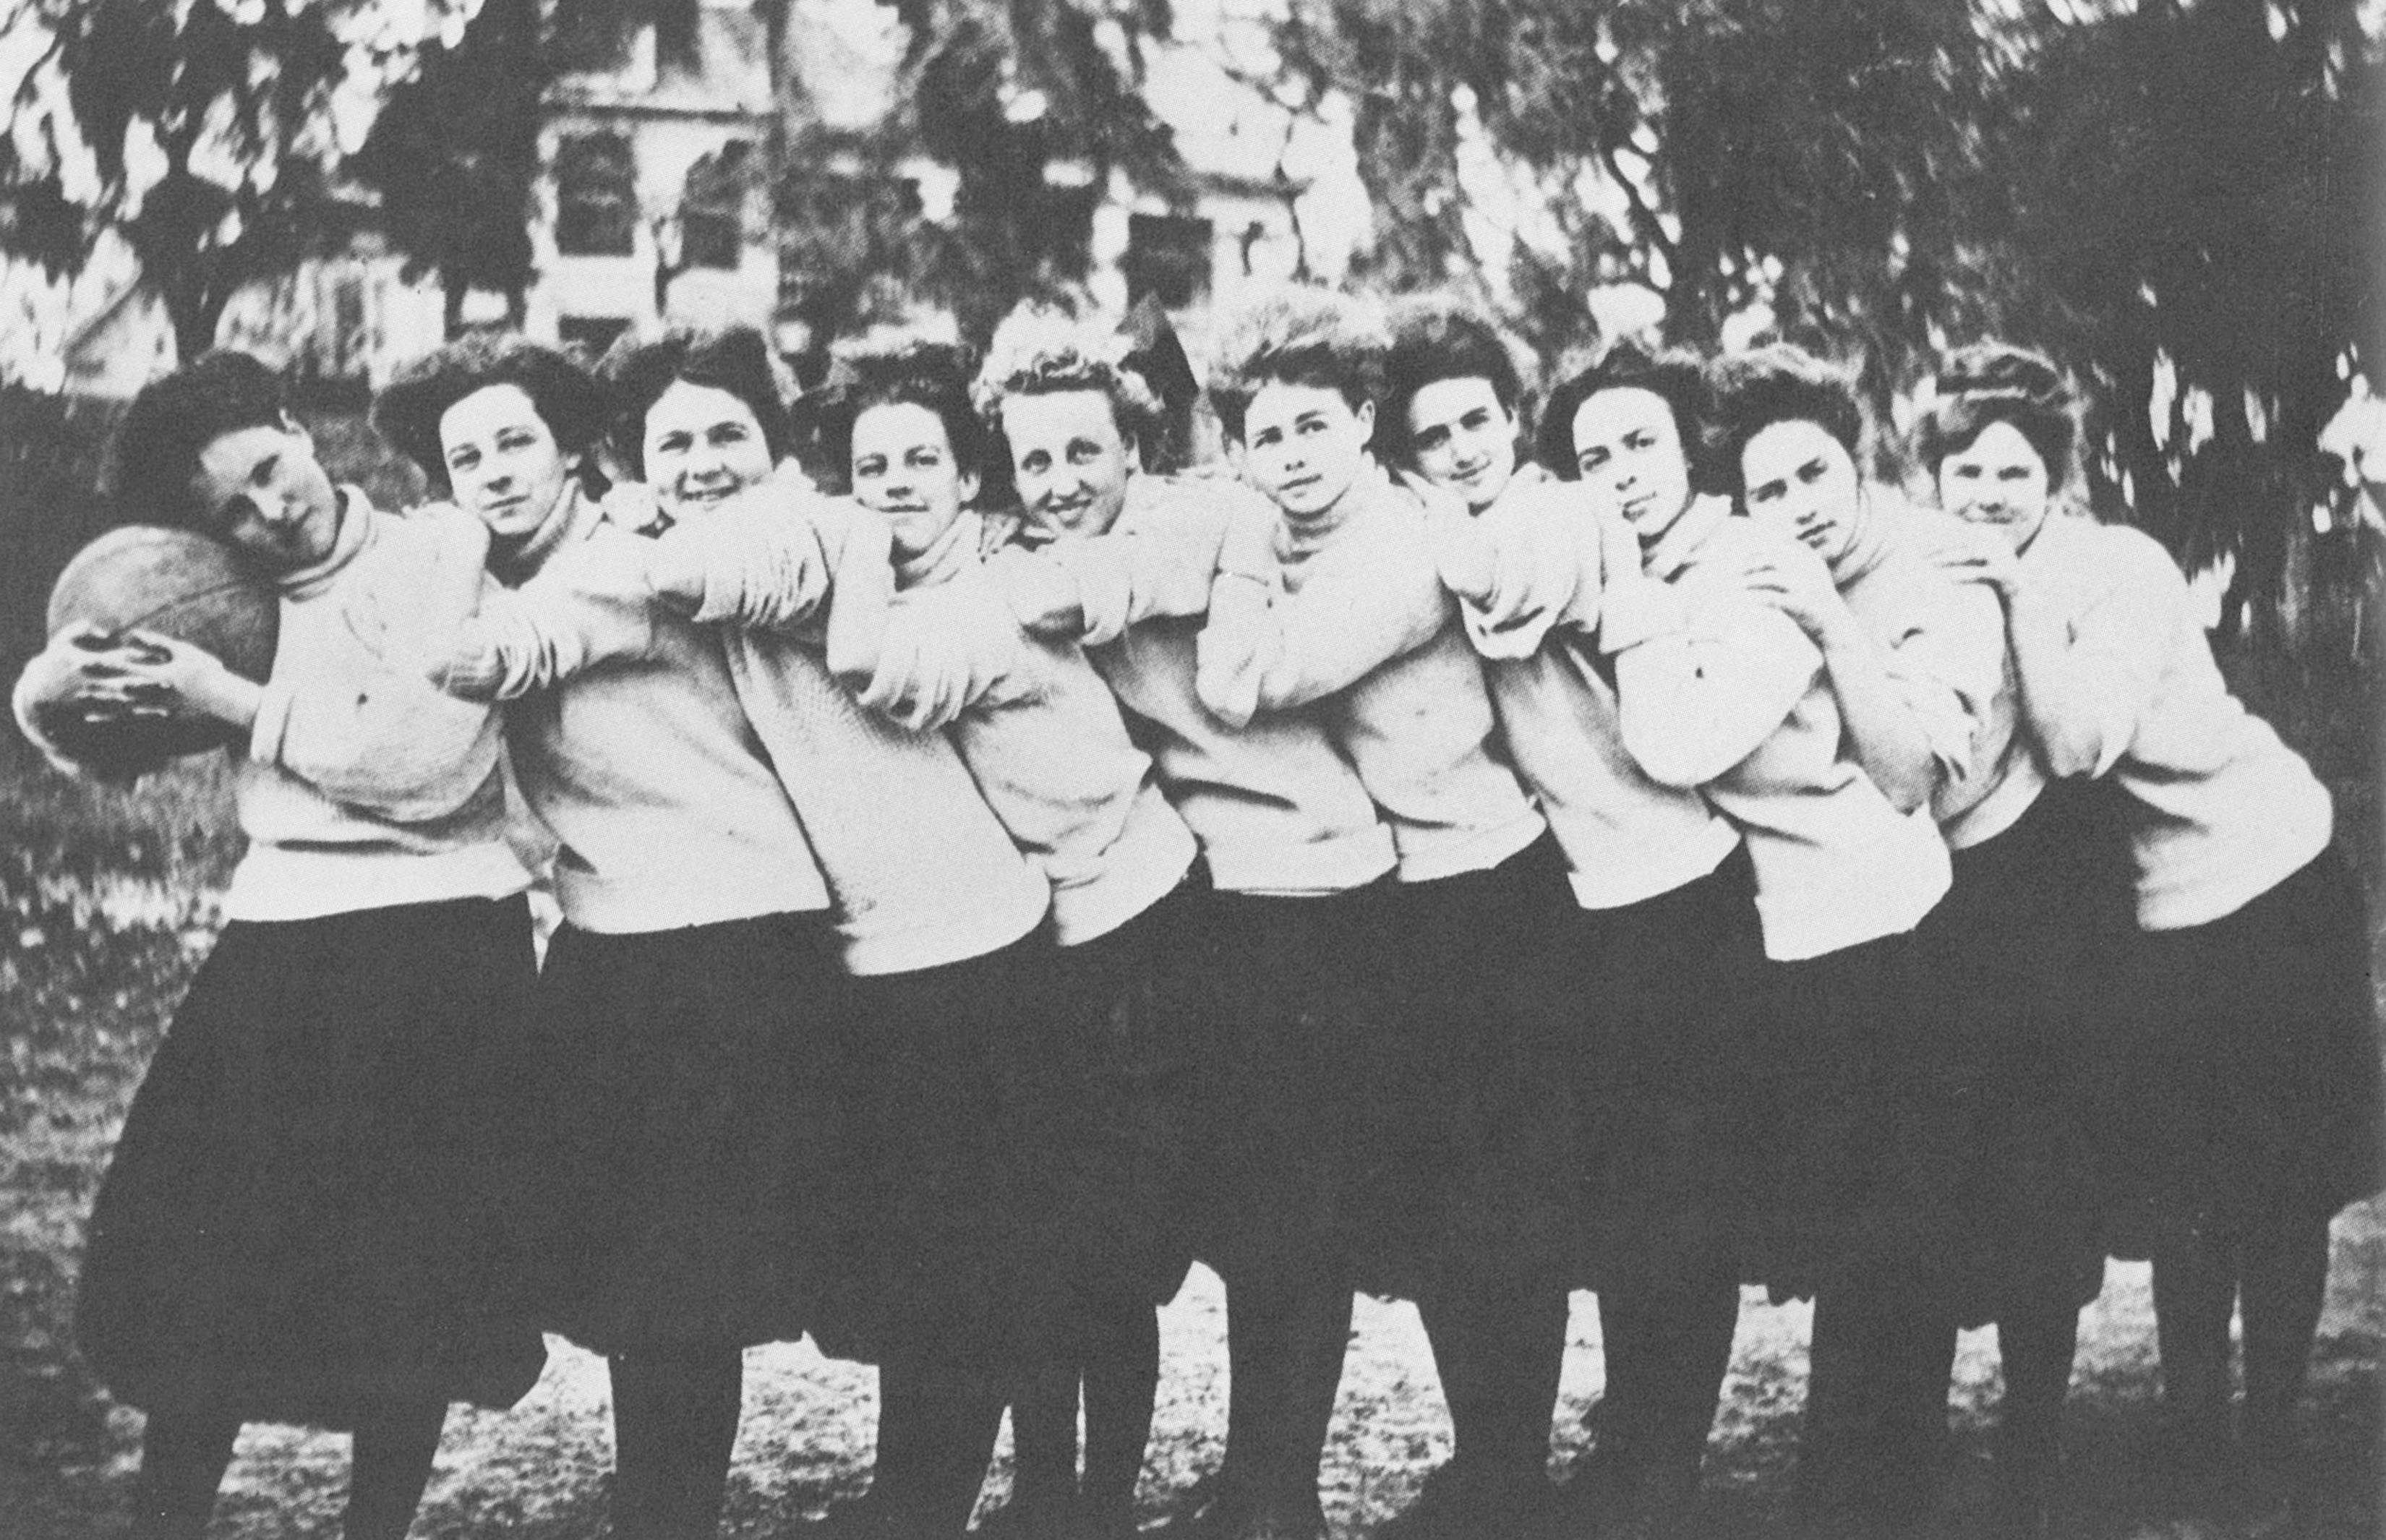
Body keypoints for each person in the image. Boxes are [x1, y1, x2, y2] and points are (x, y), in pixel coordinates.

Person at [455, 325, 1056, 1539]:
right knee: (704, 1274)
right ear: (638, 454)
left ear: (777, 445)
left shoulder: (809, 526)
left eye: (730, 430)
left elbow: (744, 572)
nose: (704, 457)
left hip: (945, 924)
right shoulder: (645, 539)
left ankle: (930, 1508)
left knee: (941, 1253)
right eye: (676, 440)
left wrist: (599, 562)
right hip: (832, 939)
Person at [676, 328, 1206, 1539]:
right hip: (1053, 940)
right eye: (872, 470)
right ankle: (1045, 1496)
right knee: (1043, 1240)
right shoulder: (922, 573)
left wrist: (852, 547)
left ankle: (1093, 1503)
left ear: (970, 477)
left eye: (922, 460)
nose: (897, 484)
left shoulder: (990, 590)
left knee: (1103, 1254)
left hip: (1136, 916)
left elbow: (882, 669)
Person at [12, 351, 546, 1540]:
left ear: (297, 426)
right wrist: (57, 689)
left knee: (407, 1285)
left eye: (267, 470)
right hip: (281, 945)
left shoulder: (439, 551)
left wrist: (230, 697)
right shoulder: (218, 591)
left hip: (444, 941)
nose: (267, 512)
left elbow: (428, 764)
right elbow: (103, 745)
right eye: (231, 508)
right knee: (203, 1265)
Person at [372, 333, 858, 1540]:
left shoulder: (633, 548)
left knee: (690, 1286)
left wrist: (459, 651)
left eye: (515, 442)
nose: (491, 471)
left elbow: (555, 634)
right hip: (612, 939)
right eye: (463, 454)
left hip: (732, 934)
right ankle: (662, 1505)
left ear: (573, 447)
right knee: (642, 1279)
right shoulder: (483, 571)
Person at [949, 304, 1406, 1540]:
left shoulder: (1201, 515)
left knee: (1288, 1221)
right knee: (1208, 1206)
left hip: (1303, 881)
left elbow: (1112, 586)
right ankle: (1243, 1487)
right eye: (1033, 458)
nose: (1058, 483)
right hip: (1194, 903)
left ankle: (1279, 1498)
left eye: (1082, 453)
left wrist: (1017, 581)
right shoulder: (1009, 544)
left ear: (1132, 447)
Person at [1921, 342, 2385, 1524]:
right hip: (2161, 910)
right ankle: (2192, 1440)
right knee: (2191, 1187)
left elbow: (2078, 743)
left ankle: (2270, 1442)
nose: (1987, 491)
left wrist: (2021, 594)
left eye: (2013, 469)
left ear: (2056, 479)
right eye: (1964, 467)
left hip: (2268, 870)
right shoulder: (1952, 577)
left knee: (2278, 1188)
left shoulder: (2116, 566)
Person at [1536, 340, 1959, 1537]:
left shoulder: (1751, 560)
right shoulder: (1652, 557)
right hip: (1776, 936)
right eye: (1592, 456)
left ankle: (1870, 1506)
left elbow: (1683, 741)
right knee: (1817, 1235)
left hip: (1870, 918)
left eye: (1640, 445)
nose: (1618, 474)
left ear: (1691, 453)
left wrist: (1625, 609)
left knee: (1883, 1257)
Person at [1192, 287, 1576, 1540]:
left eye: (1314, 427)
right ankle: (1482, 1474)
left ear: (1365, 421)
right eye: (1264, 436)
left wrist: (1243, 532)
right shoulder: (1315, 529)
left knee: (1489, 1211)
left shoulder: (1408, 542)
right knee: (1425, 1212)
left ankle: (1507, 1481)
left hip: (1486, 894)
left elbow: (1251, 678)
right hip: (1397, 905)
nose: (1290, 456)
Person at [1380, 300, 1763, 1540]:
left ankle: (1661, 1470)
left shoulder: (1556, 512)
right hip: (1580, 898)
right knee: (1606, 1195)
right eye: (1431, 433)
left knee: (1678, 1201)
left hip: (1678, 883)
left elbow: (1506, 598)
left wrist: (1416, 503)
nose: (1462, 445)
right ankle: (1599, 1453)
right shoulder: (1470, 522)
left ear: (1511, 419)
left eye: (1478, 418)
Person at [1711, 341, 2107, 1538]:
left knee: (2023, 1205)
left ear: (1863, 459)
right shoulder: (1757, 565)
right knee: (1882, 1216)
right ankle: (1857, 1486)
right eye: (1766, 491)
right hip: (1898, 918)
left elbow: (1901, 779)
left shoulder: (1943, 573)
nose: (1794, 510)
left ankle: (2021, 1466)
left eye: (1813, 477)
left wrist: (1833, 629)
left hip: (2017, 893)